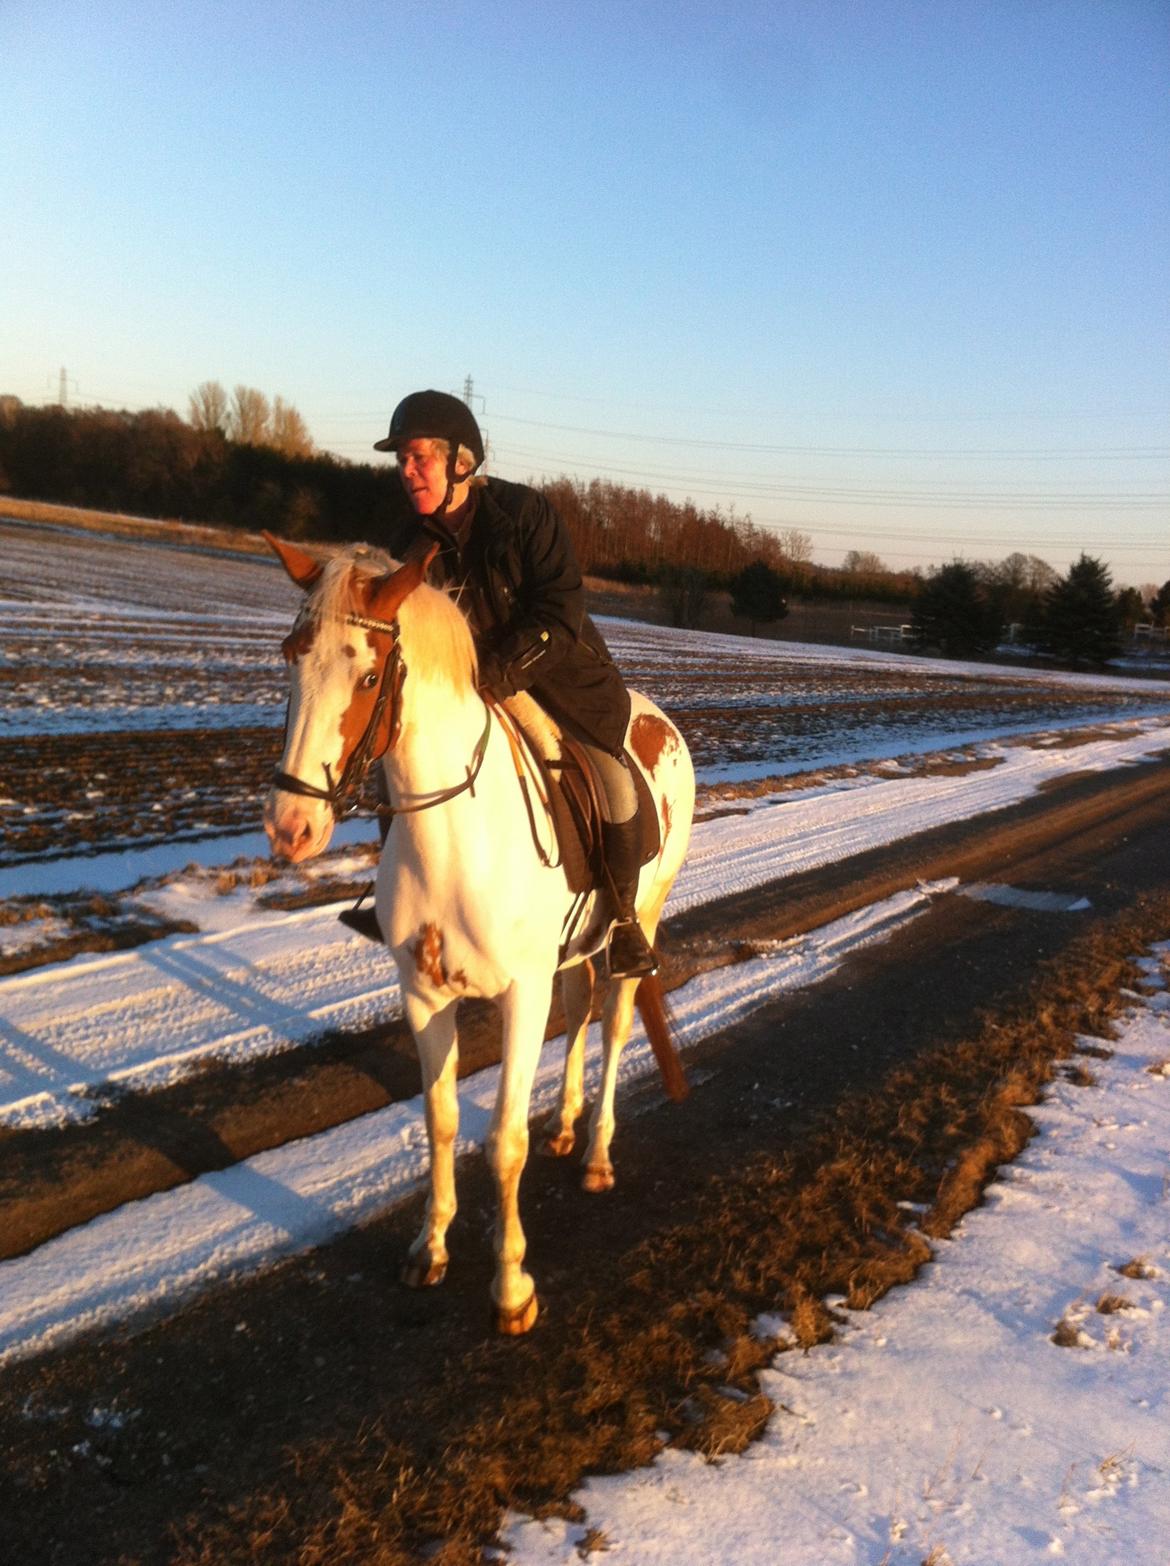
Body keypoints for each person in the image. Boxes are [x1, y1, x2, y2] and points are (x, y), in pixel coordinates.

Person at [373, 388, 657, 979]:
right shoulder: (407, 545)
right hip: (459, 694)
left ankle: (625, 922)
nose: (406, 470)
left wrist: (496, 676)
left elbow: (558, 612)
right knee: (394, 770)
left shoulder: (527, 514)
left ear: (461, 461)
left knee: (613, 781)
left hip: (553, 679)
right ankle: (404, 900)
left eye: (417, 456)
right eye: (400, 459)